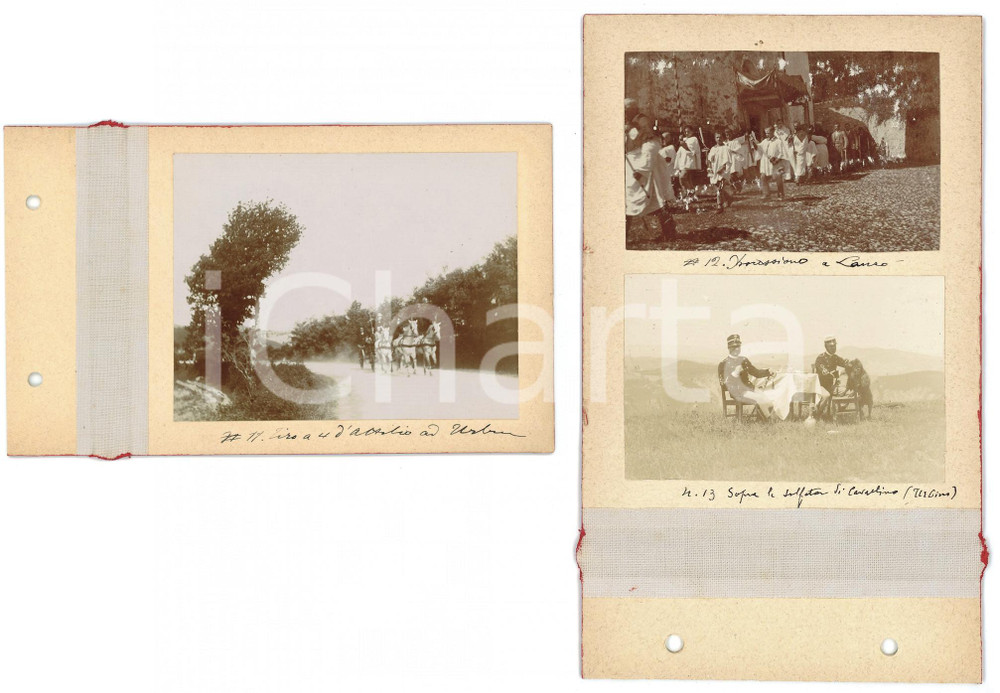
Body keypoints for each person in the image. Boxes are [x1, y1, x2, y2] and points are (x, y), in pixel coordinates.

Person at [625, 112, 676, 244]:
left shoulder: (642, 121)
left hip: (648, 169)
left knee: (656, 200)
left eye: (627, 110)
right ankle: (622, 235)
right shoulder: (626, 126)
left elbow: (652, 145)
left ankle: (669, 232)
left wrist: (643, 169)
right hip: (630, 167)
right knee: (627, 201)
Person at [720, 334, 777, 419]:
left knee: (768, 399)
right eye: (733, 347)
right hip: (738, 392)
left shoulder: (744, 360)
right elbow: (724, 384)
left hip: (749, 388)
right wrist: (734, 374)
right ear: (729, 348)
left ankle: (762, 421)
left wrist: (768, 371)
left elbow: (756, 373)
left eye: (738, 346)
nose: (736, 349)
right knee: (760, 399)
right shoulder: (724, 364)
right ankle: (771, 422)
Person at [813, 335, 849, 419]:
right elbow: (826, 374)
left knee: (849, 392)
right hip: (820, 385)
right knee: (826, 396)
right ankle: (817, 415)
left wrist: (849, 364)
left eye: (834, 346)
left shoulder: (835, 358)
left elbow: (845, 364)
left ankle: (839, 411)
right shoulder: (820, 358)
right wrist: (841, 372)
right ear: (826, 347)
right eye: (831, 346)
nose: (833, 348)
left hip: (831, 386)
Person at [707, 131, 735, 213]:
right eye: (717, 137)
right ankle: (729, 197)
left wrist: (722, 169)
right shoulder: (713, 148)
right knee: (717, 186)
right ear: (715, 139)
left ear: (723, 138)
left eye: (720, 137)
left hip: (723, 170)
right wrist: (709, 166)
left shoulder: (726, 148)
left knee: (719, 187)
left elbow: (728, 161)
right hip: (715, 170)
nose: (719, 139)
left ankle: (719, 206)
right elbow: (709, 160)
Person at [757, 126, 786, 200]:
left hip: (775, 163)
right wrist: (753, 142)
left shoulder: (778, 141)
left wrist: (776, 160)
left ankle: (781, 194)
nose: (767, 135)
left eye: (768, 133)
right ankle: (766, 194)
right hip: (766, 163)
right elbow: (759, 148)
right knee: (763, 177)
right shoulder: (764, 141)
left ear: (773, 132)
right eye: (766, 133)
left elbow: (782, 152)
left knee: (778, 178)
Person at [657, 132, 678, 202]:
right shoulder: (662, 148)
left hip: (670, 172)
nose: (663, 140)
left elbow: (668, 159)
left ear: (669, 139)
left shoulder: (670, 148)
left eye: (664, 138)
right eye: (662, 139)